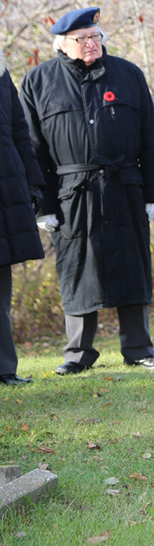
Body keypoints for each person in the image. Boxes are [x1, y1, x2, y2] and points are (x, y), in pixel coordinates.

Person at [20, 6, 154, 375]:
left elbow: (151, 137)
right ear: (63, 44)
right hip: (73, 192)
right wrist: (43, 205)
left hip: (125, 186)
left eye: (95, 37)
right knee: (76, 269)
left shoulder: (127, 74)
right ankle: (78, 354)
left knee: (133, 265)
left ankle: (138, 348)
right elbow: (33, 150)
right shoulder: (38, 81)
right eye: (82, 39)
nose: (91, 44)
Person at [1, 66, 45, 385]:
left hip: (5, 188)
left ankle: (4, 368)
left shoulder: (2, 75)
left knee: (1, 287)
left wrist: (33, 184)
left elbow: (19, 132)